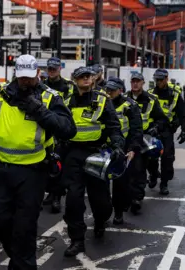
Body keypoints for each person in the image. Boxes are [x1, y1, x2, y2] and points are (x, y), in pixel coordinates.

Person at [0, 55, 76, 269]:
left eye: (29, 77)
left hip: (32, 172)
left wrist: (39, 110)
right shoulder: (4, 95)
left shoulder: (49, 97)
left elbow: (68, 129)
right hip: (3, 168)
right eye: (22, 77)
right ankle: (19, 258)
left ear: (38, 75)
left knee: (24, 228)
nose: (25, 81)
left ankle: (23, 264)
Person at [61, 67, 124, 257]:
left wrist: (118, 145)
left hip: (97, 154)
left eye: (89, 76)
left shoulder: (102, 100)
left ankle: (100, 221)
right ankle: (77, 240)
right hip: (73, 154)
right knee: (73, 200)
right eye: (82, 77)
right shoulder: (65, 102)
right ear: (75, 80)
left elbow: (114, 126)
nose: (86, 79)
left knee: (101, 201)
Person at [126, 72, 168, 213]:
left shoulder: (151, 100)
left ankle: (137, 198)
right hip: (126, 139)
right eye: (133, 81)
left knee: (139, 169)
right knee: (126, 171)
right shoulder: (123, 98)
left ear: (143, 83)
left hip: (143, 139)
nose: (135, 84)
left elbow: (161, 118)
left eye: (138, 81)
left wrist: (156, 128)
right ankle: (126, 198)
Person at [104, 77, 143, 225]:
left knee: (121, 183)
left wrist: (132, 149)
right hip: (104, 148)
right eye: (107, 89)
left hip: (123, 148)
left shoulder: (129, 106)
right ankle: (103, 212)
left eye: (112, 90)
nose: (109, 92)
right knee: (101, 182)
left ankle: (119, 211)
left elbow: (136, 130)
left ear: (120, 90)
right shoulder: (101, 102)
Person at [42, 56, 77, 213]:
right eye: (49, 68)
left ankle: (57, 196)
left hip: (60, 127)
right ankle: (50, 192)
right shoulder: (42, 85)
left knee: (58, 165)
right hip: (46, 127)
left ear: (59, 69)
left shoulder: (68, 87)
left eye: (54, 69)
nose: (51, 71)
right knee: (47, 164)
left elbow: (69, 106)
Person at [148, 69, 185, 195]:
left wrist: (184, 130)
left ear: (166, 79)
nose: (158, 82)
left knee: (167, 158)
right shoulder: (149, 94)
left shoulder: (175, 94)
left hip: (167, 130)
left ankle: (164, 183)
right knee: (150, 157)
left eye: (161, 79)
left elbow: (182, 113)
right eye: (156, 80)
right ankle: (154, 175)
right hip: (152, 130)